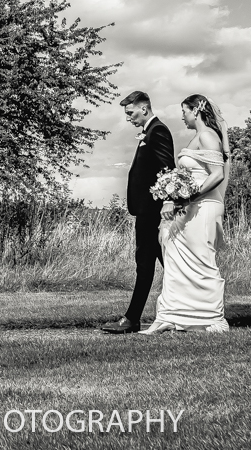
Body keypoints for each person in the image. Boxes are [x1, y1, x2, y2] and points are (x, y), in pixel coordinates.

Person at [139, 93, 231, 334]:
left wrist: (188, 196)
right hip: (187, 208)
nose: (182, 116)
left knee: (201, 260)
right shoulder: (195, 138)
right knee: (173, 257)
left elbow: (217, 174)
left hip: (202, 207)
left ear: (196, 111)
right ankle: (168, 315)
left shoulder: (208, 136)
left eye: (184, 111)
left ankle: (213, 318)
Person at [100, 90, 175, 334]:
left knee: (146, 264)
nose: (128, 118)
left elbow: (168, 170)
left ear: (144, 108)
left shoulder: (158, 131)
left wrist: (168, 201)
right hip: (146, 210)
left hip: (153, 211)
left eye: (130, 112)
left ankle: (132, 319)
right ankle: (186, 309)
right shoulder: (150, 131)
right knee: (166, 264)